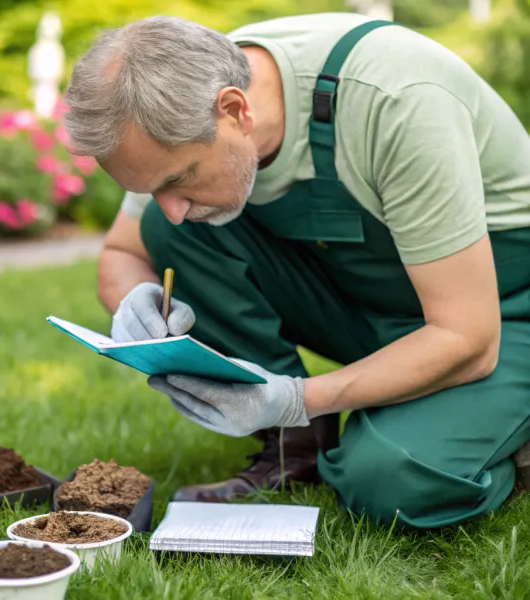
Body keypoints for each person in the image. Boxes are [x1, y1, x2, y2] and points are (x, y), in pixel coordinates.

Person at [60, 12, 530, 530]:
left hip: (501, 315)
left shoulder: (396, 99)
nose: (170, 205)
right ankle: (296, 449)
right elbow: (121, 255)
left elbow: (468, 337)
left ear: (234, 110)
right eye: (153, 187)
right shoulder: (168, 95)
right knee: (172, 230)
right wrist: (135, 303)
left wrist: (293, 399)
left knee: (391, 480)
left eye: (178, 178)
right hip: (377, 305)